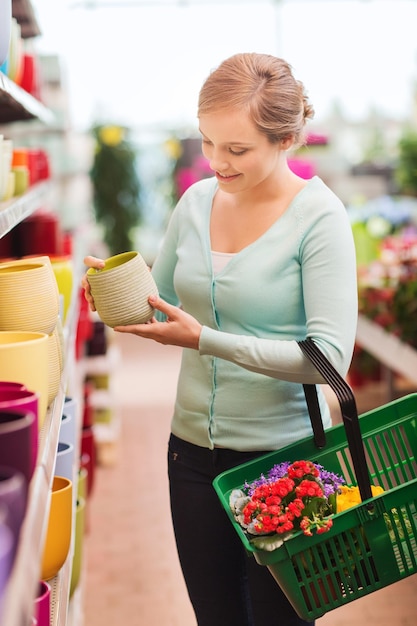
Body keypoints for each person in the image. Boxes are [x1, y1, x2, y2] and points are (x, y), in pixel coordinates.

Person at [82, 52, 358, 626]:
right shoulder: (196, 202)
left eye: (237, 150)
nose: (216, 163)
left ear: (285, 138)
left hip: (284, 466)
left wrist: (208, 339)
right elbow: (155, 299)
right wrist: (110, 288)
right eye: (208, 143)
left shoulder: (319, 219)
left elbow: (328, 359)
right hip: (191, 457)